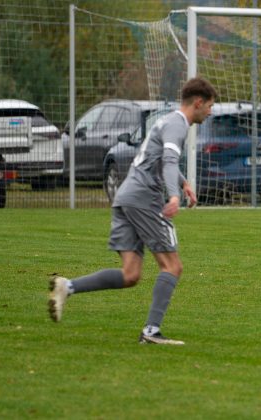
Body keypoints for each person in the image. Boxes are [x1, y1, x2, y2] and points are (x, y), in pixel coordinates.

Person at [48, 77, 216, 345]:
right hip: (144, 200)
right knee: (172, 266)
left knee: (130, 274)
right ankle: (151, 332)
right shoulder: (177, 125)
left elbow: (156, 156)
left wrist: (183, 183)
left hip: (125, 197)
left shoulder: (164, 121)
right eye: (209, 106)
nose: (210, 112)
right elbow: (170, 159)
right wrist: (173, 194)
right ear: (198, 102)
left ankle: (67, 287)